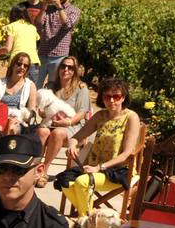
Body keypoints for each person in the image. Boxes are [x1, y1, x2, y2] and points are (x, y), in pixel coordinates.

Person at [57, 78, 142, 217]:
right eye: (107, 96)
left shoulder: (131, 117)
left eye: (116, 96)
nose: (112, 101)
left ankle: (84, 219)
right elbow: (76, 137)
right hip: (92, 168)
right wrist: (72, 145)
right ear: (102, 98)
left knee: (82, 182)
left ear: (123, 97)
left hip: (118, 171)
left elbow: (126, 154)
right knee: (63, 180)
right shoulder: (100, 116)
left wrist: (99, 168)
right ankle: (89, 217)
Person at [35, 56, 91, 169]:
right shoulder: (50, 86)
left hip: (72, 127)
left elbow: (82, 112)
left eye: (70, 67)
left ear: (74, 71)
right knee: (41, 131)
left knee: (58, 133)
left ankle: (43, 170)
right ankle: (35, 168)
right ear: (58, 68)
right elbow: (41, 109)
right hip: (51, 123)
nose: (66, 69)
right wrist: (42, 112)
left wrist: (68, 122)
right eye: (63, 66)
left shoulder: (81, 88)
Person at [37, 0, 81, 86]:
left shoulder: (74, 10)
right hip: (42, 53)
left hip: (59, 56)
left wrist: (59, 6)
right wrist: (44, 6)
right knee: (35, 85)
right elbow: (38, 24)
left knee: (54, 87)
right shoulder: (49, 9)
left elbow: (67, 24)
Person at [0, 6, 41, 82]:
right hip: (33, 62)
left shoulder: (11, 27)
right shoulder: (32, 27)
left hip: (17, 62)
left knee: (11, 90)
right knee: (30, 91)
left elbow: (7, 48)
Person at [0, 52, 37, 133]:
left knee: (11, 125)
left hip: (19, 120)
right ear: (13, 65)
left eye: (25, 65)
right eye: (19, 64)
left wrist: (19, 117)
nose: (22, 67)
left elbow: (32, 110)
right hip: (0, 117)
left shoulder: (30, 85)